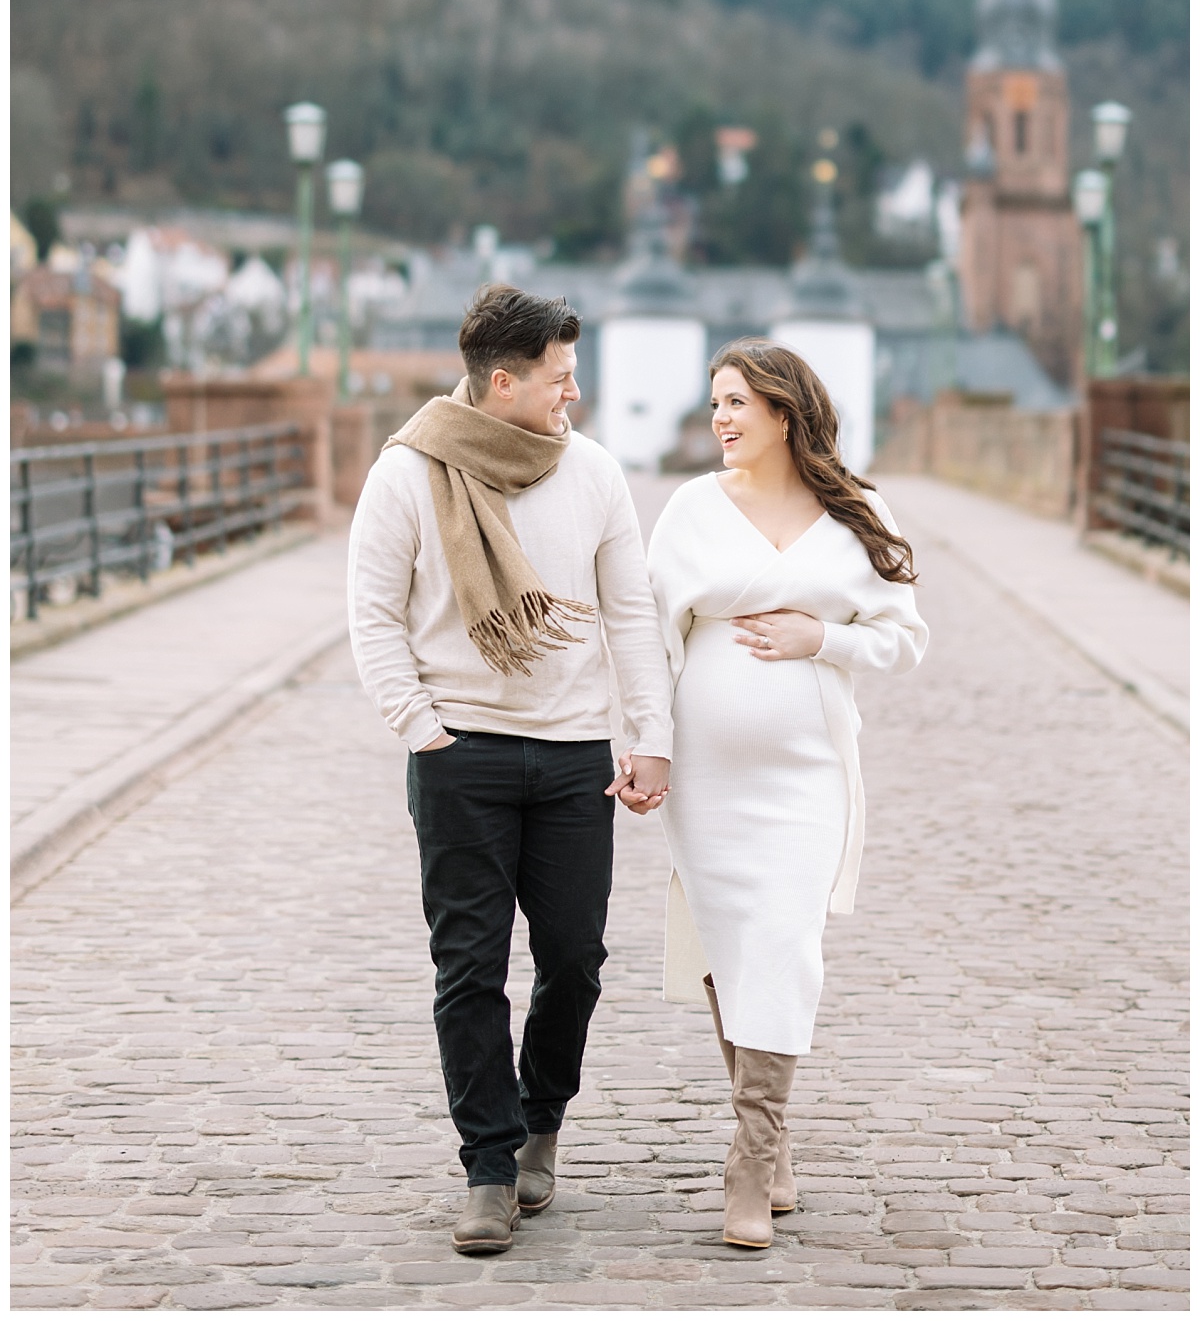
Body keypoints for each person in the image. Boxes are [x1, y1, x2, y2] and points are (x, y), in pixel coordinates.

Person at [348, 284, 673, 1256]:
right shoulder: (409, 473)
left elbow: (630, 614)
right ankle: (489, 1166)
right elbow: (373, 613)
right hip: (463, 758)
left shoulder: (598, 476)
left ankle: (542, 1121)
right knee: (470, 971)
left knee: (574, 958)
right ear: (503, 383)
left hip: (575, 757)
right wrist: (422, 729)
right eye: (560, 378)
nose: (575, 393)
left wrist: (646, 732)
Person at [640, 338, 928, 1250]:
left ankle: (748, 1165)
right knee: (731, 947)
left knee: (784, 944)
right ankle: (771, 1145)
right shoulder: (689, 509)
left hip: (806, 775)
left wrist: (824, 640)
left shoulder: (856, 511)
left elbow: (903, 635)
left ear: (785, 413)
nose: (720, 418)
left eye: (737, 404)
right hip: (709, 777)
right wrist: (648, 746)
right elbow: (650, 636)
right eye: (716, 402)